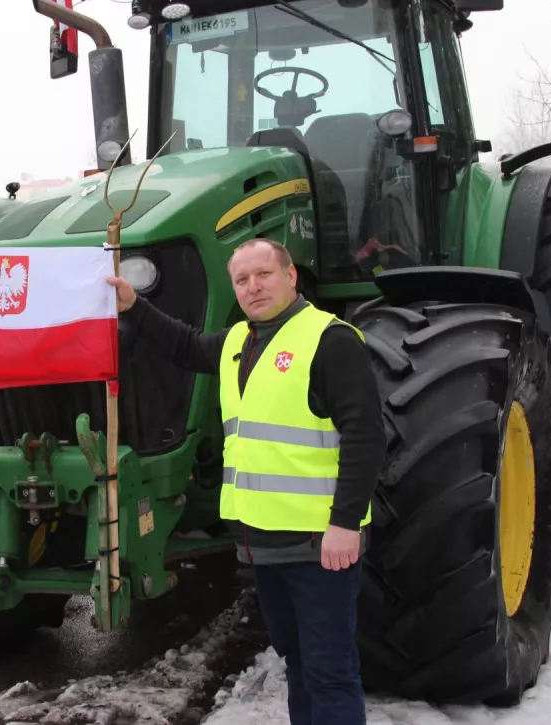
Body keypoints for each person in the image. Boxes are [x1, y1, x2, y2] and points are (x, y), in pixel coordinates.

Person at [108, 237, 386, 725]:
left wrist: (345, 523)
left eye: (264, 274)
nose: (254, 287)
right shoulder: (240, 341)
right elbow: (185, 345)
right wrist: (135, 306)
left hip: (320, 545)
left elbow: (365, 437)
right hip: (262, 545)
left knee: (330, 672)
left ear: (291, 276)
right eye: (242, 279)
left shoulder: (329, 340)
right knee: (298, 666)